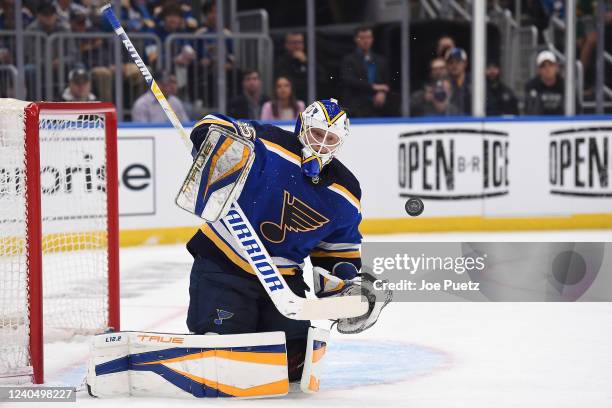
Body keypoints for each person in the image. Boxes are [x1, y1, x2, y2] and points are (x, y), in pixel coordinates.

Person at [185, 98, 369, 383]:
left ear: (340, 143)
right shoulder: (269, 144)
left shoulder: (346, 191)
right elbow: (215, 123)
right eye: (317, 134)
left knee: (293, 366)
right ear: (301, 127)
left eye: (330, 138)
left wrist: (345, 286)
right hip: (225, 265)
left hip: (283, 282)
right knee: (222, 360)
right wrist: (211, 137)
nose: (321, 145)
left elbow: (337, 251)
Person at [340, 26, 391, 117]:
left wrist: (382, 92)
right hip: (356, 108)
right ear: (356, 39)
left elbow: (386, 83)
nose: (365, 41)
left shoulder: (380, 61)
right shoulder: (349, 60)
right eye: (362, 38)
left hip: (377, 107)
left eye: (368, 37)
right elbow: (349, 80)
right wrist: (373, 87)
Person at [524, 50, 580, 115]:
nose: (547, 68)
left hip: (562, 123)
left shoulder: (566, 86)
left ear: (556, 67)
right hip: (539, 123)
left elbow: (576, 109)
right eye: (543, 66)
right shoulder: (531, 86)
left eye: (550, 65)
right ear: (538, 70)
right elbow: (529, 111)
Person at [275, 32, 308, 102]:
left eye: (299, 42)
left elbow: (321, 78)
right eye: (293, 42)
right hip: (289, 101)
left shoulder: (310, 59)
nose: (297, 45)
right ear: (286, 45)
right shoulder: (281, 61)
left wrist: (305, 62)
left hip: (310, 98)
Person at [445, 47, 471, 115]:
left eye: (458, 61)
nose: (454, 65)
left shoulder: (475, 83)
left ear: (465, 63)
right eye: (451, 62)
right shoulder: (443, 83)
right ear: (447, 65)